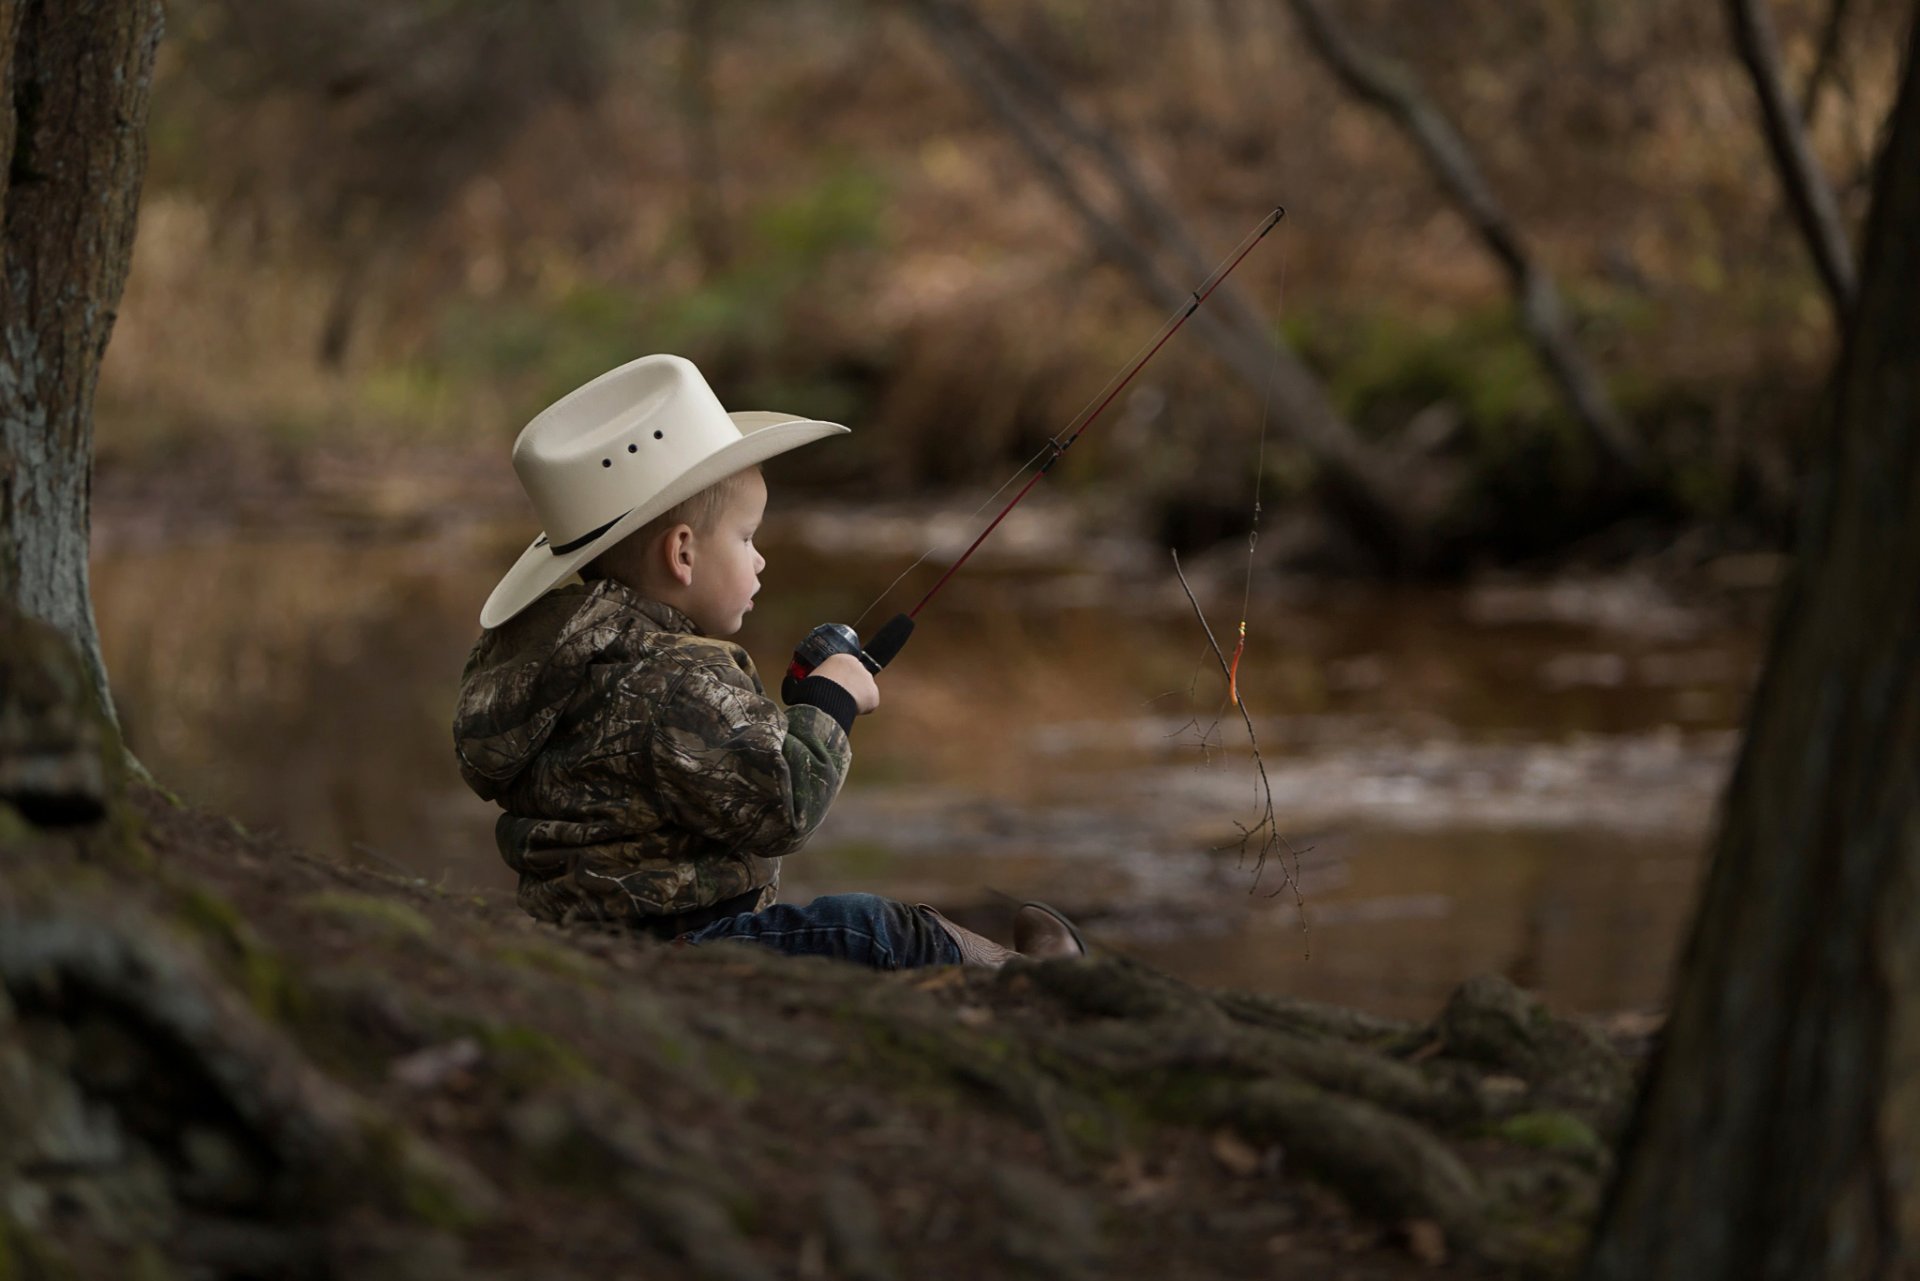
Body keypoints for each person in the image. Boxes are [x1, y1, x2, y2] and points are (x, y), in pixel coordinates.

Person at [452, 353, 1084, 968]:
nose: (759, 560)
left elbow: (695, 768)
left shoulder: (555, 663)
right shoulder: (677, 682)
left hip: (586, 942)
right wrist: (828, 703)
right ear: (682, 555)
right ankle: (1041, 986)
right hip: (679, 949)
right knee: (875, 928)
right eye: (747, 537)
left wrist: (778, 716)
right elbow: (784, 807)